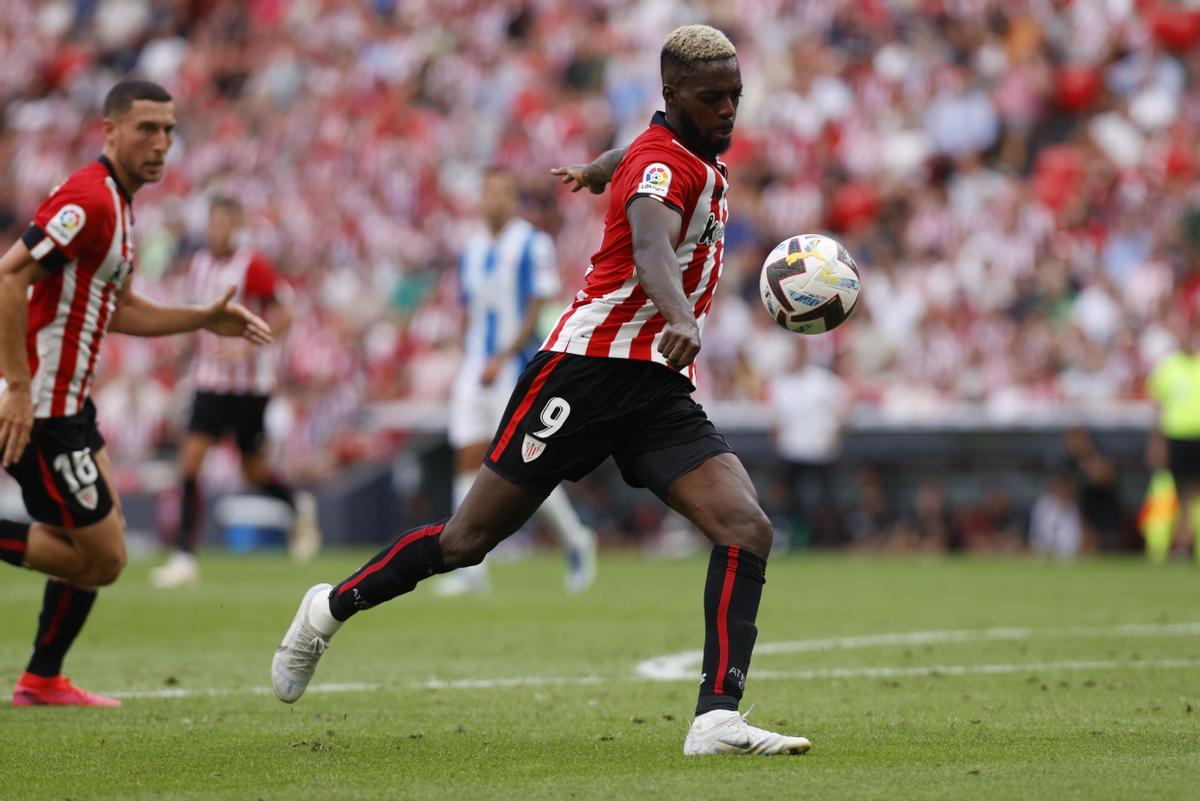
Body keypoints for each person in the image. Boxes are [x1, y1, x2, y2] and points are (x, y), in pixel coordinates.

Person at [272, 25, 811, 756]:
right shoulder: (663, 168)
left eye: (735, 96)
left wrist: (599, 166)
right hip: (585, 372)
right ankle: (325, 610)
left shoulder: (678, 153)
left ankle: (716, 719)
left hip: (656, 388)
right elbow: (652, 243)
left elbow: (646, 156)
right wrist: (680, 312)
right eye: (711, 98)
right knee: (467, 540)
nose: (727, 110)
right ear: (671, 95)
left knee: (745, 527)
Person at [0, 80, 272, 706]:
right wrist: (17, 387)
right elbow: (11, 279)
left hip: (69, 403)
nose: (161, 143)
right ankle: (41, 677)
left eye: (170, 130)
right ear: (111, 131)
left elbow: (117, 309)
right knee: (102, 560)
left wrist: (201, 315)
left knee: (101, 536)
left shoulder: (121, 206)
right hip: (40, 405)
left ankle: (42, 678)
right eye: (147, 128)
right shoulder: (89, 199)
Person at [436, 167, 597, 596]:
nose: (496, 200)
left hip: (513, 368)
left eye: (505, 193)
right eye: (490, 192)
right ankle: (469, 567)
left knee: (523, 465)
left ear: (514, 200)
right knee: (467, 458)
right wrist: (469, 352)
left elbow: (535, 311)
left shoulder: (532, 243)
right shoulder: (470, 247)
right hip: (476, 366)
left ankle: (575, 539)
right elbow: (469, 308)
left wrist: (502, 357)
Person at [150, 195, 318, 589]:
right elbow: (198, 315)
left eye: (225, 222)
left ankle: (298, 505)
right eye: (213, 222)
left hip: (249, 386)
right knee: (190, 461)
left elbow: (285, 312)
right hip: (209, 381)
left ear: (237, 224)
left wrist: (248, 344)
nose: (218, 230)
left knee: (252, 470)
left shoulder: (252, 265)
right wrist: (183, 345)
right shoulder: (199, 264)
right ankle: (183, 556)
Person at [1145, 313, 1200, 559]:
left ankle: (1188, 541)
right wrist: (1157, 441)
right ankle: (1177, 542)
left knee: (1193, 493)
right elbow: (1158, 408)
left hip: (1197, 435)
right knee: (1179, 492)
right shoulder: (1167, 369)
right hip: (1177, 435)